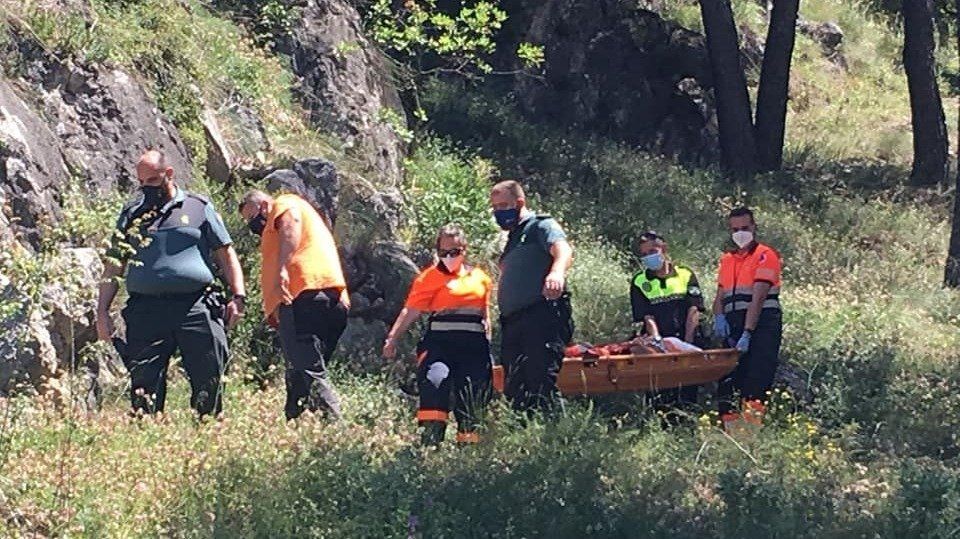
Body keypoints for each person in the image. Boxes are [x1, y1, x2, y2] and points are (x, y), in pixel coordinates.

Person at [96, 149, 245, 417]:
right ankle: (146, 437)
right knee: (144, 383)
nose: (146, 188)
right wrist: (102, 311)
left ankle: (208, 433)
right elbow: (114, 263)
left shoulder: (198, 207)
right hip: (146, 310)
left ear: (169, 174)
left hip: (196, 305)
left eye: (152, 181)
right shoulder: (132, 214)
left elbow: (226, 253)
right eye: (142, 182)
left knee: (209, 376)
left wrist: (238, 297)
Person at [239, 189, 349, 420]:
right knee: (300, 371)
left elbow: (291, 222)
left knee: (309, 370)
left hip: (301, 296)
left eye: (252, 217)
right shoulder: (304, 218)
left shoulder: (284, 204)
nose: (252, 224)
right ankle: (295, 423)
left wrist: (282, 268)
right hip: (331, 299)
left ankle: (335, 428)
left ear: (264, 205)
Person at [383, 225, 493, 445]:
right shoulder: (429, 278)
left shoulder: (481, 278)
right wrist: (392, 339)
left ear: (464, 249)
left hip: (474, 347)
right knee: (435, 382)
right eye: (443, 252)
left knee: (472, 394)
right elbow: (411, 310)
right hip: (440, 345)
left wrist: (488, 334)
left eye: (454, 252)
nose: (449, 257)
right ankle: (430, 442)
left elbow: (485, 313)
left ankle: (469, 447)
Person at [491, 179, 574, 414]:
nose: (500, 212)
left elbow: (563, 249)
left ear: (520, 202)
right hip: (513, 323)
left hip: (541, 316)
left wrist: (556, 272)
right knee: (515, 386)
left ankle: (555, 440)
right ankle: (523, 442)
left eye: (504, 205)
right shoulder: (513, 238)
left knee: (541, 380)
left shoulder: (540, 226)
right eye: (495, 207)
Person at [713, 207, 783, 431]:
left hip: (761, 324)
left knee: (756, 379)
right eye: (735, 229)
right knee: (728, 382)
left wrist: (748, 332)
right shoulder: (728, 260)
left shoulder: (765, 255)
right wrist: (719, 317)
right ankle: (731, 435)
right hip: (733, 324)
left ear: (754, 227)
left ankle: (750, 434)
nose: (740, 233)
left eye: (745, 228)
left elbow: (758, 298)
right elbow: (720, 296)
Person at [629, 230, 704, 410]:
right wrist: (657, 342)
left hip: (687, 339)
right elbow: (647, 316)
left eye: (653, 251)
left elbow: (693, 310)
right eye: (645, 254)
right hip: (657, 345)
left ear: (664, 248)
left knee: (686, 396)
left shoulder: (685, 274)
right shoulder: (640, 281)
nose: (649, 257)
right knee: (659, 397)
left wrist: (686, 345)